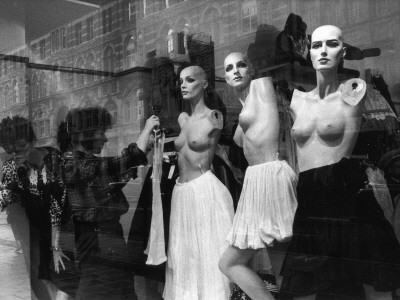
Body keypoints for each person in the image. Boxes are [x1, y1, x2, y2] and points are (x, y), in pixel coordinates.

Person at [280, 25, 400, 299]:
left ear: (343, 52)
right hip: (309, 201)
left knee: (372, 286)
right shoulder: (297, 100)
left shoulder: (353, 92)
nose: (323, 51)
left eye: (331, 44)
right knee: (305, 286)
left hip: (346, 198)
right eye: (316, 45)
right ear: (307, 53)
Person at [56, 106, 159, 299]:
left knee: (118, 290)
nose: (105, 138)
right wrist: (146, 131)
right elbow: (118, 164)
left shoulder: (81, 162)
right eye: (100, 132)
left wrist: (147, 145)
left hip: (104, 238)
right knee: (99, 290)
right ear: (84, 134)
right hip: (97, 240)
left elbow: (114, 178)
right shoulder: (75, 164)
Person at [218, 52, 298, 300]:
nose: (236, 71)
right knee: (265, 259)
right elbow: (241, 138)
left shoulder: (260, 87)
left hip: (268, 176)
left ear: (252, 71)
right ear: (224, 77)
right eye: (229, 68)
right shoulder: (246, 108)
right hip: (256, 180)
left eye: (242, 65)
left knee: (230, 262)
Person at [163, 65, 234, 299]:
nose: (183, 85)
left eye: (190, 80)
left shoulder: (214, 117)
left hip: (204, 191)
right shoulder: (183, 118)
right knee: (184, 254)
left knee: (208, 254)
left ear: (204, 84)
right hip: (181, 193)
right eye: (181, 80)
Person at [0, 115, 66, 300]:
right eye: (12, 151)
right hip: (29, 230)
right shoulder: (11, 167)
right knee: (39, 278)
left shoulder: (53, 157)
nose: (18, 155)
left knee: (61, 278)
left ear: (32, 141)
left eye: (23, 147)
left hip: (57, 229)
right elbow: (7, 199)